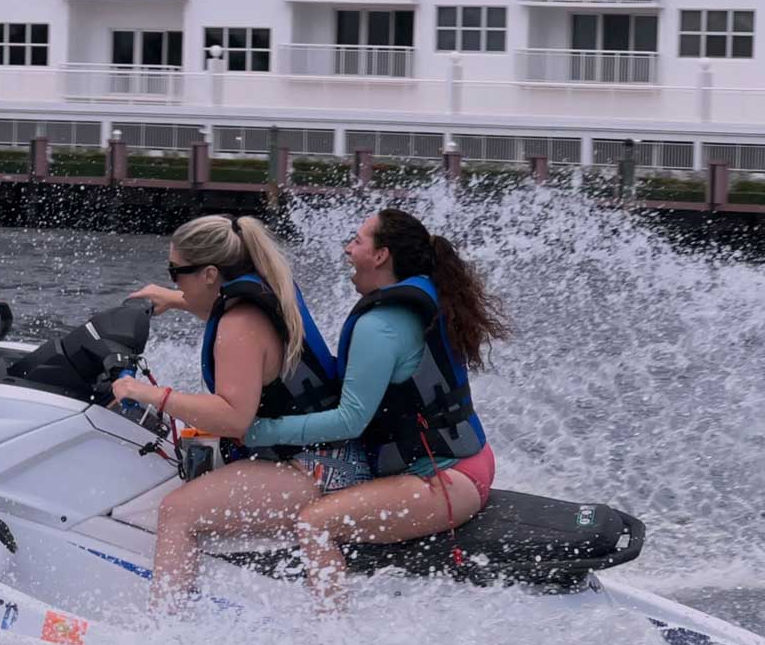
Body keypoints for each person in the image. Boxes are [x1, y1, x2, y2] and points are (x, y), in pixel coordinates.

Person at [240, 207, 510, 601]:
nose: (348, 249)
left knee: (314, 523)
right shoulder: (417, 297)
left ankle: (330, 641)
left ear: (381, 256)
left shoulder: (380, 325)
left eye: (357, 241)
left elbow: (350, 420)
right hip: (469, 459)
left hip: (447, 480)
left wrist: (258, 431)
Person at [109, 214, 358, 603]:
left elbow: (233, 416)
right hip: (333, 451)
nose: (173, 278)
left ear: (210, 274)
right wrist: (172, 299)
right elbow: (219, 308)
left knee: (177, 512)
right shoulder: (269, 286)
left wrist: (148, 394)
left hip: (322, 468)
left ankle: (164, 635)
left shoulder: (239, 326)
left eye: (175, 272)